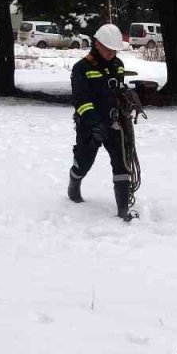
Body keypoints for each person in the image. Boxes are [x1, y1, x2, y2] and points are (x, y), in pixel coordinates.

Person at [67, 23, 136, 220]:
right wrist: (94, 124)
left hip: (115, 122)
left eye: (114, 50)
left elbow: (117, 90)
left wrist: (127, 97)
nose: (111, 53)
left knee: (121, 163)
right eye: (107, 49)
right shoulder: (81, 68)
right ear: (97, 44)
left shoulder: (118, 65)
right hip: (90, 125)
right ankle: (74, 183)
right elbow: (80, 100)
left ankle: (123, 210)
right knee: (84, 162)